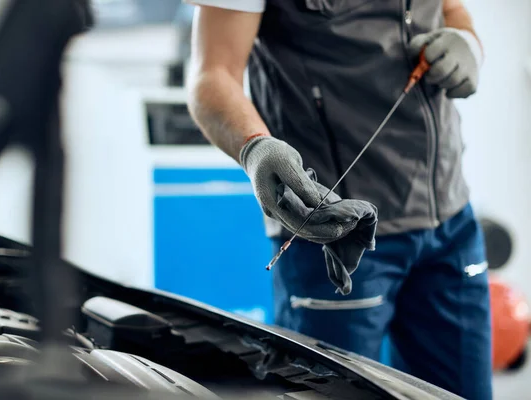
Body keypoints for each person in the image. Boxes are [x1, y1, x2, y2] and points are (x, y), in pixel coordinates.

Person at [185, 1, 491, 399]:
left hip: (451, 223)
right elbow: (212, 72)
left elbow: (449, 8)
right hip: (336, 232)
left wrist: (468, 41)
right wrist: (254, 148)